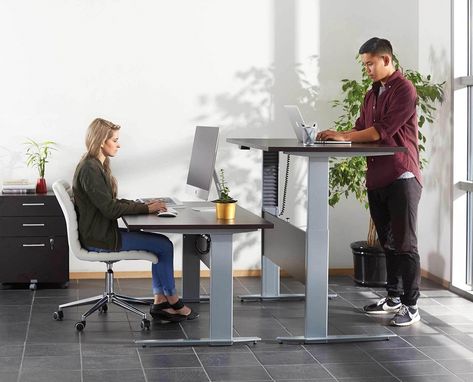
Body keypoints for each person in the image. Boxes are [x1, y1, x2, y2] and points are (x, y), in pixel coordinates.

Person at [317, 37, 422, 327]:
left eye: (371, 64)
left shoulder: (404, 90)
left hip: (402, 175)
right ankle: (394, 297)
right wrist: (337, 137)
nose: (368, 70)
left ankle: (411, 305)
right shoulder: (371, 93)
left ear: (387, 59)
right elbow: (361, 128)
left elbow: (381, 131)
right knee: (388, 242)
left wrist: (344, 136)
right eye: (365, 65)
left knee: (404, 243)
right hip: (377, 177)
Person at [73, 117, 198, 322]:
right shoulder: (90, 169)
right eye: (115, 140)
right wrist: (146, 208)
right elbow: (110, 209)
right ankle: (172, 300)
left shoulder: (95, 165)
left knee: (161, 244)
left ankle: (160, 301)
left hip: (101, 233)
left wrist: (142, 205)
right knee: (164, 246)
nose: (118, 144)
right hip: (101, 239)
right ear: (101, 141)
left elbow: (109, 202)